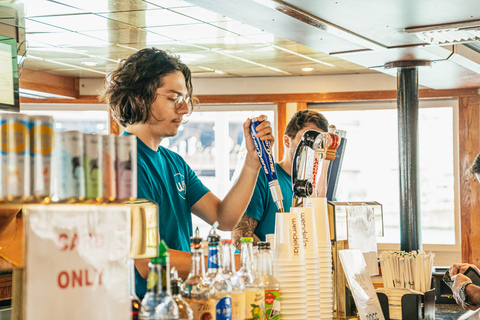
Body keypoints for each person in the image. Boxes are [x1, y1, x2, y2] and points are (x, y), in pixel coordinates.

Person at [102, 48, 274, 298]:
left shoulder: (174, 162)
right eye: (174, 99)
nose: (183, 110)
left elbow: (223, 218)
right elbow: (148, 261)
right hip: (146, 308)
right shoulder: (123, 162)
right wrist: (233, 265)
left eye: (184, 100)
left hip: (180, 302)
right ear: (140, 97)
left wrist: (252, 162)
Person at [232, 110, 329, 250]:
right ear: (287, 141)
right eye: (307, 138)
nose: (313, 147)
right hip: (262, 269)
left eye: (319, 142)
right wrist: (277, 261)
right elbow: (239, 235)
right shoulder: (263, 176)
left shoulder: (318, 190)